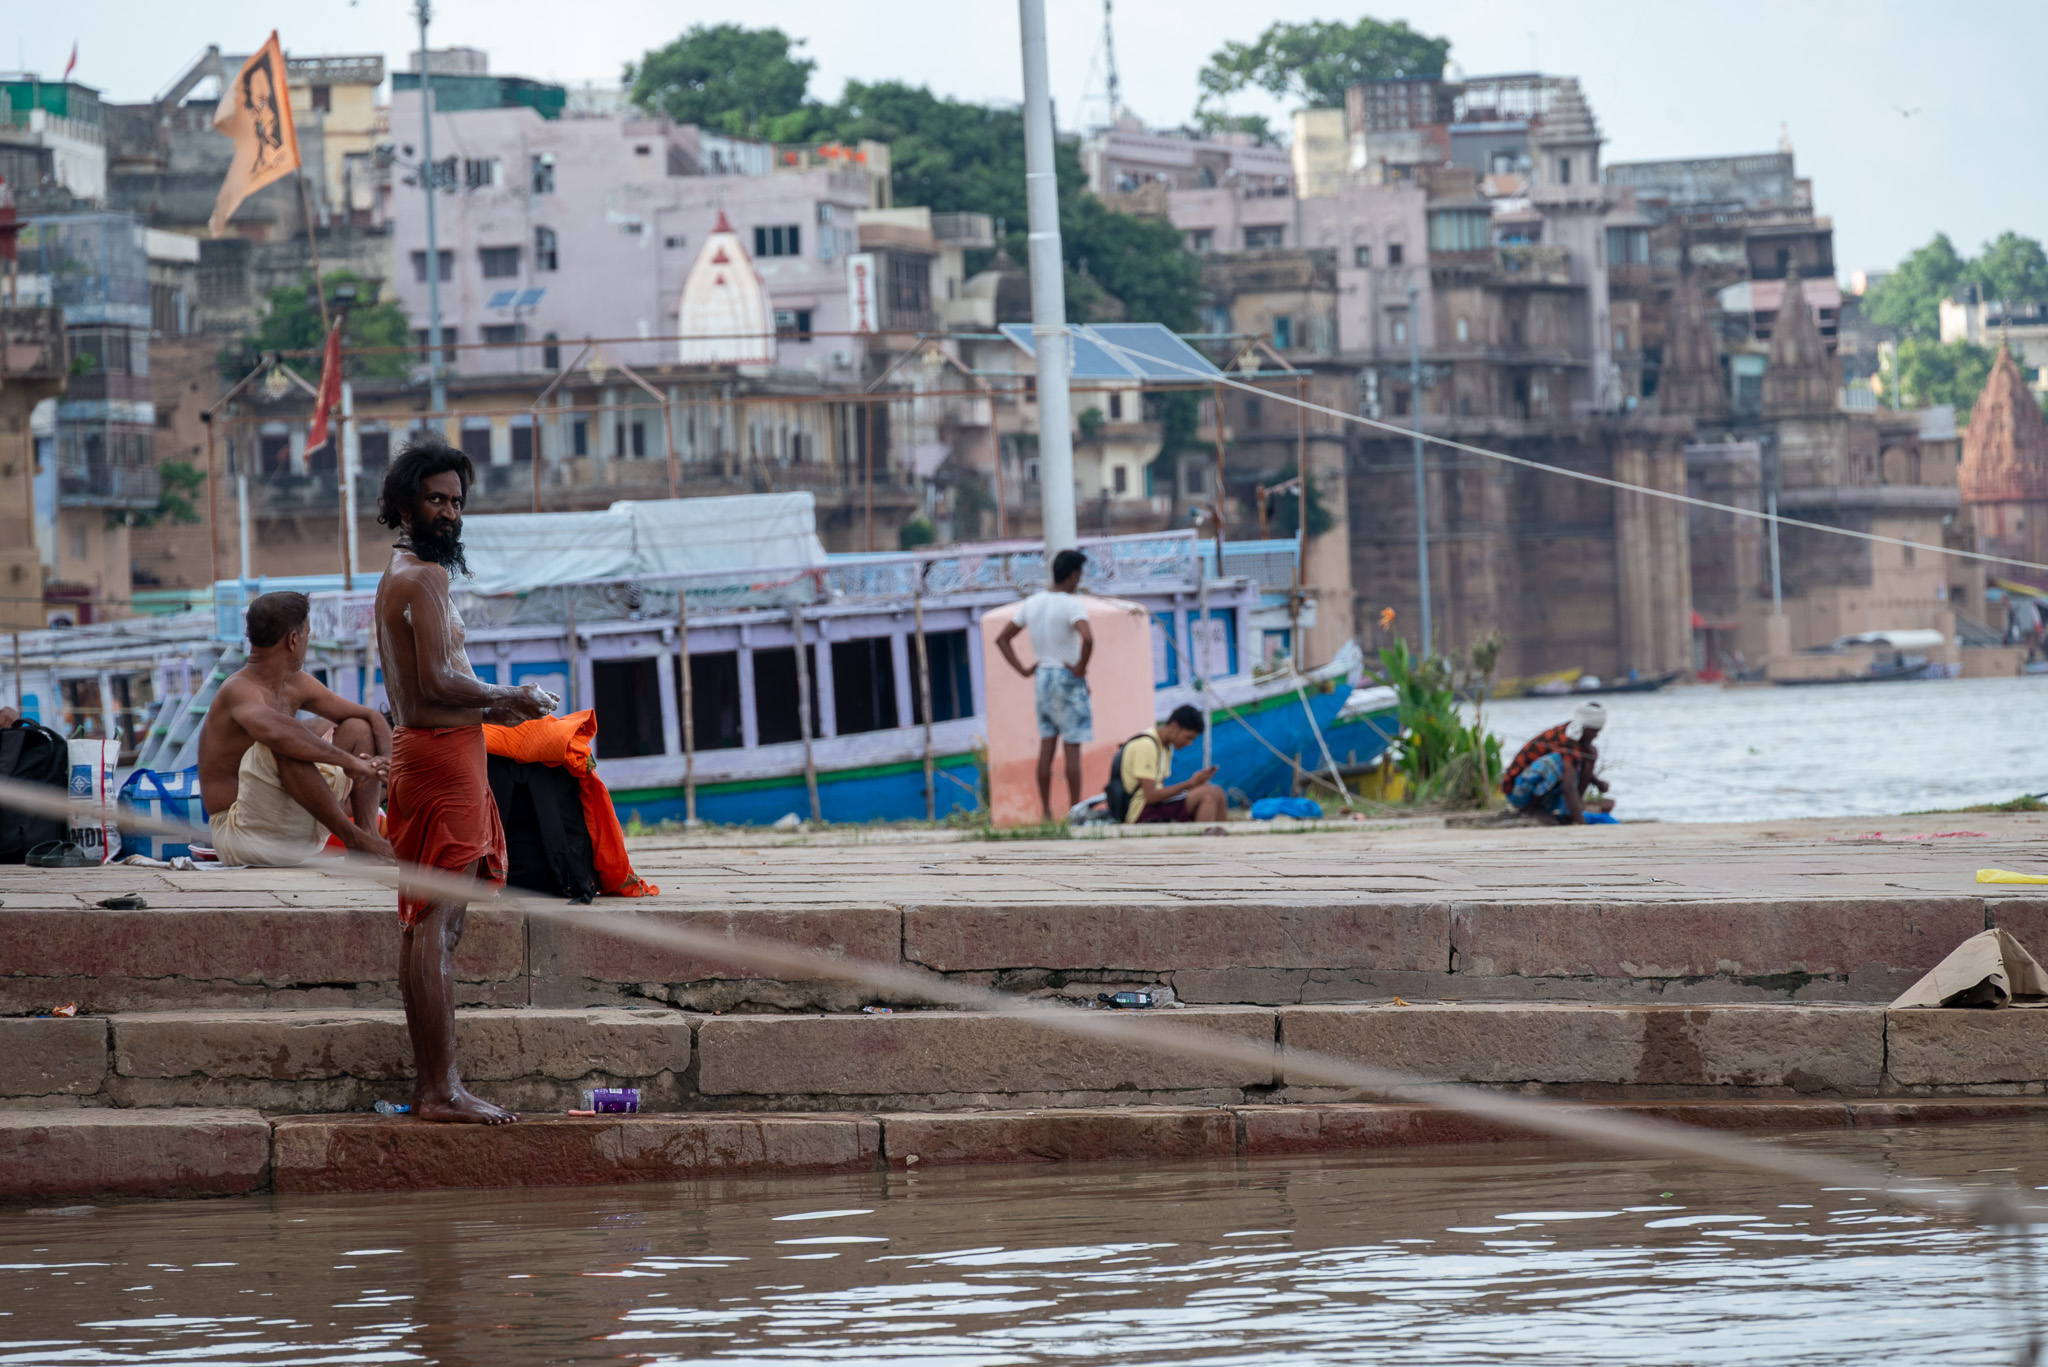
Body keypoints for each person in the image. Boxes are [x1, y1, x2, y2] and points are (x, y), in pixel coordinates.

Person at [375, 435, 555, 1125]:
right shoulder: (423, 577)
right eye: (436, 500)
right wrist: (510, 696)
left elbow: (429, 686)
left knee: (429, 925)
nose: (450, 513)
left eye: (456, 501)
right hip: (440, 758)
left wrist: (491, 708)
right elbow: (433, 683)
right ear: (405, 505)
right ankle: (440, 1091)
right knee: (436, 924)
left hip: (431, 751)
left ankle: (435, 1086)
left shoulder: (402, 572)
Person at [197, 591, 393, 866]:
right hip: (241, 836)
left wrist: (388, 764)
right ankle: (354, 838)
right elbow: (279, 735)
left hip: (293, 829)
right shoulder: (239, 689)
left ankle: (367, 839)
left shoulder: (296, 683)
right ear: (293, 640)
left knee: (357, 728)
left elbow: (370, 716)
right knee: (284, 741)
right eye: (307, 634)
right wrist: (349, 762)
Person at [995, 548, 1096, 821]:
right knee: (1072, 747)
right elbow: (1088, 638)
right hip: (1066, 677)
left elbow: (1002, 639)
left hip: (1042, 679)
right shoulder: (1072, 604)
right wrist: (1081, 668)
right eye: (1079, 575)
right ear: (1072, 575)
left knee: (1047, 747)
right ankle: (1075, 811)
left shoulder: (1032, 603)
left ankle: (1047, 813)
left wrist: (1024, 670)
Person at [1499, 700, 1611, 824]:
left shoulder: (1580, 742)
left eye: (1598, 731)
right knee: (1557, 762)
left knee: (1590, 754)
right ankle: (1531, 809)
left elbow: (1576, 769)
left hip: (1545, 796)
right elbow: (1568, 786)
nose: (1596, 735)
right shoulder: (1566, 740)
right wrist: (1581, 823)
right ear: (1583, 728)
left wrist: (1597, 782)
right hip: (1518, 793)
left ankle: (1571, 812)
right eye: (1593, 731)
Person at [1119, 703, 1227, 825]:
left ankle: (1221, 834)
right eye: (1188, 737)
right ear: (1174, 727)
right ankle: (1205, 836)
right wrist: (1190, 784)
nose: (1189, 743)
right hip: (1139, 811)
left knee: (1217, 791)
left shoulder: (1166, 747)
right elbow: (1151, 796)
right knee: (1208, 794)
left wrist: (1195, 784)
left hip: (1153, 806)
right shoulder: (1146, 745)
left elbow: (1160, 790)